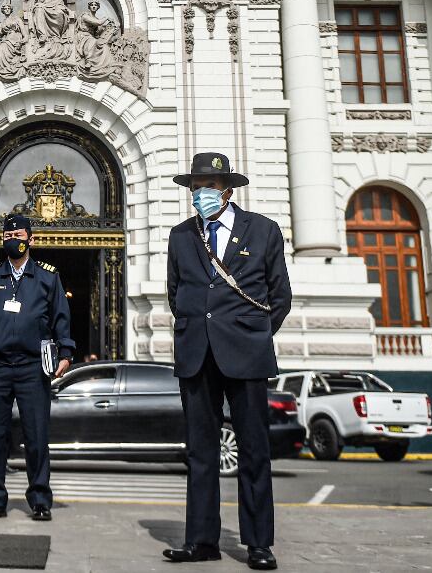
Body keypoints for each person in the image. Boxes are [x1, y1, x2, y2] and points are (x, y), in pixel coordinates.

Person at [163, 152, 291, 570]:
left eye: (210, 186)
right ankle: (201, 540)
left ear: (228, 190)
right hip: (197, 354)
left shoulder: (264, 231)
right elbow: (175, 291)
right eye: (196, 187)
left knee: (254, 450)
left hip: (247, 353)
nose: (201, 194)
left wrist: (251, 334)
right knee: (201, 453)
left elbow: (279, 295)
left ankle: (257, 544)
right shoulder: (181, 235)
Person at [0, 214, 74, 522]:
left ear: (32, 239)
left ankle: (40, 499)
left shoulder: (47, 277)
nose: (13, 237)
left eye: (19, 233)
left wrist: (66, 351)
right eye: (8, 233)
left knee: (36, 435)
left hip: (31, 365)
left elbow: (60, 317)